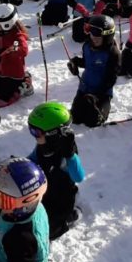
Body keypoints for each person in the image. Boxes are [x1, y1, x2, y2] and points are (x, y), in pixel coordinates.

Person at [26, 102, 85, 239]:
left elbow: (78, 177)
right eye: (31, 130)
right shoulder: (43, 145)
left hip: (61, 199)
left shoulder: (65, 154)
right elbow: (33, 159)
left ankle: (71, 216)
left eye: (36, 132)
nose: (34, 135)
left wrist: (70, 156)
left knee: (45, 232)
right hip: (44, 190)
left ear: (52, 134)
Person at [68, 15, 120, 126]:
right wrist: (75, 62)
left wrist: (98, 95)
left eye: (98, 36)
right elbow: (87, 63)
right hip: (85, 88)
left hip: (102, 92)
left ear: (107, 36)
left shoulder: (112, 53)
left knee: (92, 121)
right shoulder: (87, 46)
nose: (93, 38)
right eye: (91, 34)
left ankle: (103, 110)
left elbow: (111, 79)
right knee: (75, 118)